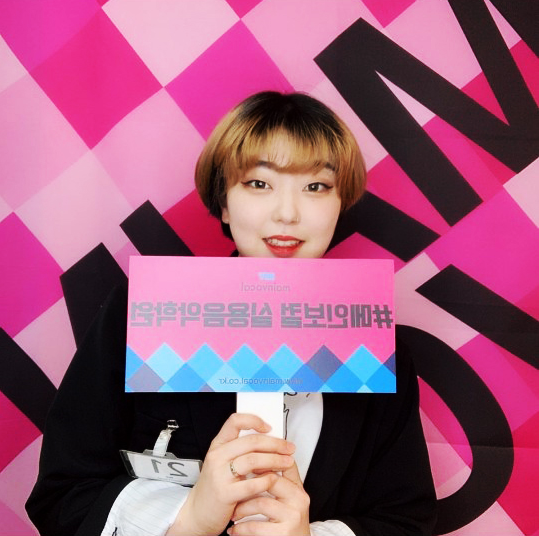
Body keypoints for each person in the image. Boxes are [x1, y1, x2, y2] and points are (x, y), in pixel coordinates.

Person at [26, 91, 437, 536]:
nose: (287, 214)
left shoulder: (374, 345)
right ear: (224, 203)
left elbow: (407, 519)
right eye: (259, 184)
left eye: (316, 186)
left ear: (341, 204)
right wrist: (188, 518)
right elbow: (62, 495)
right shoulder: (145, 311)